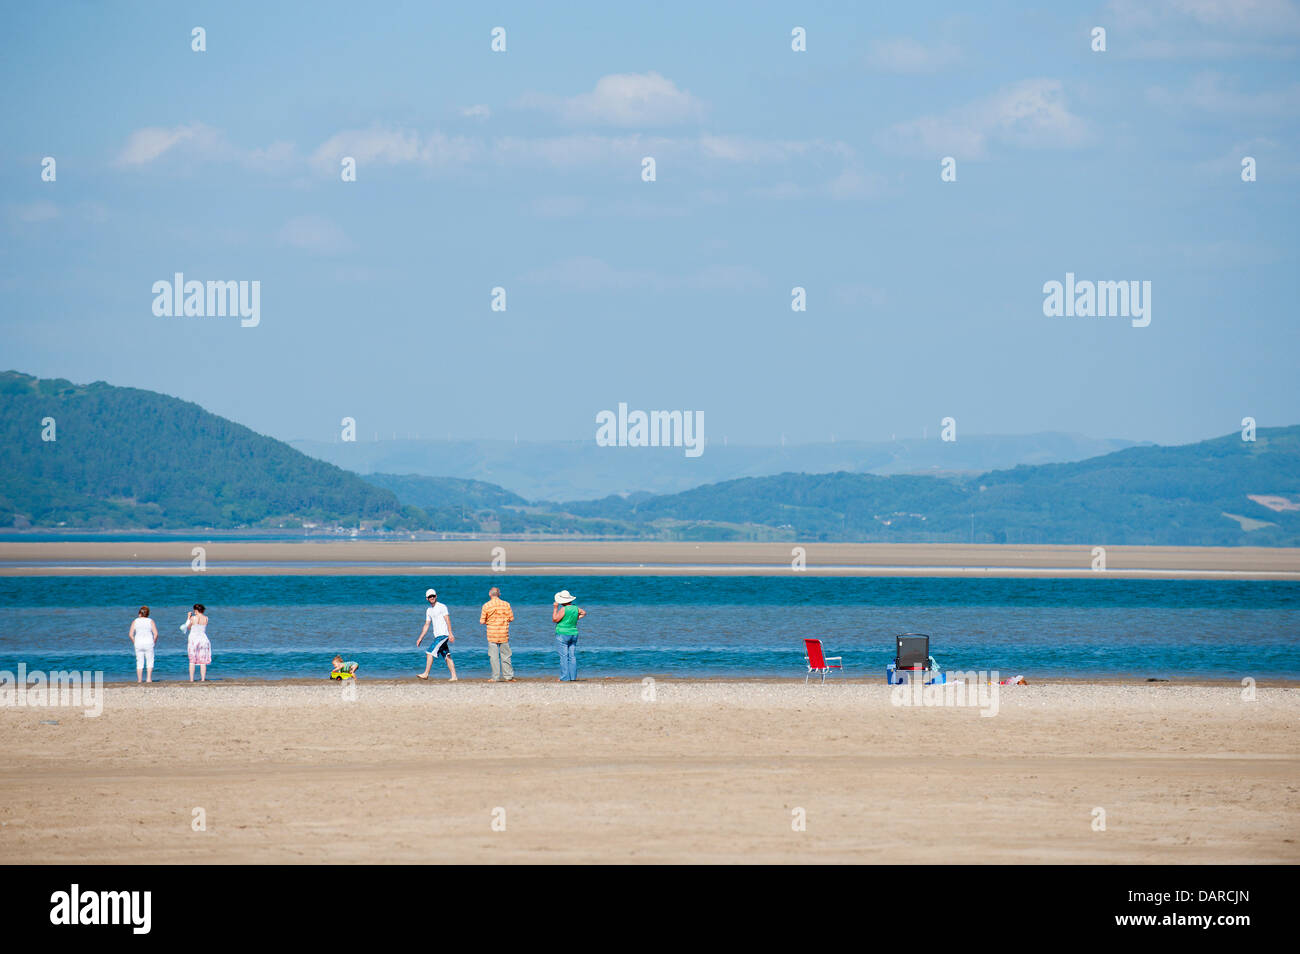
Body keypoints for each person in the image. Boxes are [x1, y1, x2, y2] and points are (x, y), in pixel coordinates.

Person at [416, 587, 457, 681]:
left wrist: (450, 634)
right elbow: (426, 625)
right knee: (447, 656)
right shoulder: (429, 610)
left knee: (429, 652)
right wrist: (420, 638)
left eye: (433, 596)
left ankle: (426, 674)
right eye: (430, 596)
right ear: (427, 598)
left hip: (443, 635)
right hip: (437, 636)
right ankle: (454, 676)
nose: (432, 597)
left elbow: (448, 620)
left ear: (436, 596)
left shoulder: (442, 606)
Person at [479, 586, 515, 682]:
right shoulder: (506, 604)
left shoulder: (486, 606)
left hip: (492, 634)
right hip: (504, 634)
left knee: (493, 657)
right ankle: (508, 677)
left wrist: (489, 620)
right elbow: (511, 618)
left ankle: (495, 677)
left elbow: (482, 621)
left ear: (490, 594)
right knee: (506, 656)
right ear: (499, 594)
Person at [552, 589, 586, 682]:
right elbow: (584, 612)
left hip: (562, 633)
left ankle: (564, 677)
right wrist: (575, 619)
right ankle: (573, 677)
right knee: (572, 656)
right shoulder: (576, 608)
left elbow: (555, 619)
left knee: (564, 656)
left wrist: (555, 608)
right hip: (574, 633)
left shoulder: (563, 609)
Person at [182, 603, 212, 682]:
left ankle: (191, 679)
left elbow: (187, 627)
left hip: (193, 640)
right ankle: (203, 679)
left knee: (192, 660)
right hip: (203, 639)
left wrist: (188, 617)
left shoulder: (193, 618)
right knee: (203, 661)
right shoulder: (206, 618)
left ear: (196, 610)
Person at [128, 606, 158, 683]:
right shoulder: (150, 621)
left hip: (138, 643)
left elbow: (131, 635)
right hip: (149, 643)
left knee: (139, 661)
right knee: (150, 661)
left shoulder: (135, 621)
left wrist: (134, 642)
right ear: (148, 614)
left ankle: (139, 680)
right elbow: (156, 634)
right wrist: (154, 642)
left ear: (139, 613)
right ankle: (149, 679)